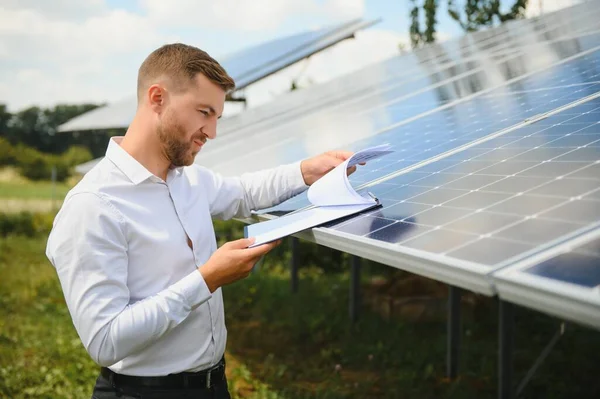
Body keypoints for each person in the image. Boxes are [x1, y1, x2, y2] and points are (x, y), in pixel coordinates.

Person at [45, 43, 359, 399]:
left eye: (216, 118)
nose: (212, 131)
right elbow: (105, 340)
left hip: (212, 387)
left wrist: (305, 171)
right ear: (157, 98)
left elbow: (243, 193)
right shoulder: (93, 205)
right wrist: (207, 279)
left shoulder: (187, 180)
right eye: (203, 112)